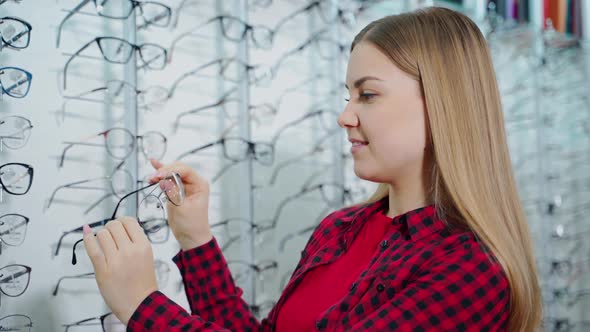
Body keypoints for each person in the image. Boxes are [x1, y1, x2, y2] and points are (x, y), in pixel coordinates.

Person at [81, 7, 542, 332]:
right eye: (348, 95)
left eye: (368, 95)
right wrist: (195, 239)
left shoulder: (468, 272)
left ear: (442, 105)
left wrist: (144, 307)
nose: (346, 116)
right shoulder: (341, 229)